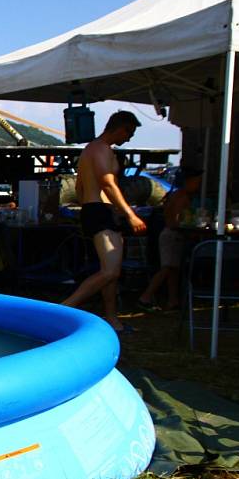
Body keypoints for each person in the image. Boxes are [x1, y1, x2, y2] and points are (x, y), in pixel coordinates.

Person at [61, 111, 147, 333]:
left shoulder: (97, 150)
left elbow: (80, 188)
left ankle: (112, 318)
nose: (129, 138)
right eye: (130, 132)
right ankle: (63, 309)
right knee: (110, 271)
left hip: (100, 209)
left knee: (112, 269)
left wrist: (105, 208)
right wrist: (130, 214)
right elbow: (107, 183)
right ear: (121, 128)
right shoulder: (99, 149)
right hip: (99, 210)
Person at [137, 167, 203, 311]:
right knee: (167, 268)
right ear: (189, 182)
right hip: (173, 235)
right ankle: (145, 297)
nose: (198, 186)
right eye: (197, 183)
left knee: (173, 270)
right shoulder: (182, 197)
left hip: (169, 234)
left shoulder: (174, 194)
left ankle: (173, 301)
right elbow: (175, 221)